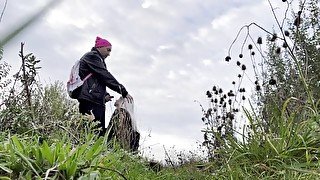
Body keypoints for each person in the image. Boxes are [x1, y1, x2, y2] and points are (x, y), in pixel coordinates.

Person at [77, 36, 133, 137]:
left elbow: (98, 80)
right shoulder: (92, 57)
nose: (109, 54)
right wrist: (122, 90)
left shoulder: (96, 59)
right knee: (93, 133)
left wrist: (104, 95)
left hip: (94, 99)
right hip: (91, 100)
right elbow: (104, 75)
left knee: (97, 131)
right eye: (108, 50)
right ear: (100, 47)